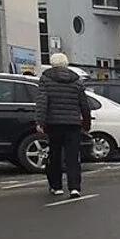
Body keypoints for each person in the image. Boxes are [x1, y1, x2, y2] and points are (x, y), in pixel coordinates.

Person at [35, 53, 91, 198]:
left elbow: (42, 102)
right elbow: (84, 104)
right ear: (66, 63)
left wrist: (40, 122)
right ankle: (74, 187)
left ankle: (56, 186)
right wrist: (86, 123)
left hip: (53, 124)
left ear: (52, 63)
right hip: (73, 124)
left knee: (54, 156)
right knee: (73, 157)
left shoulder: (46, 79)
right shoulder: (76, 80)